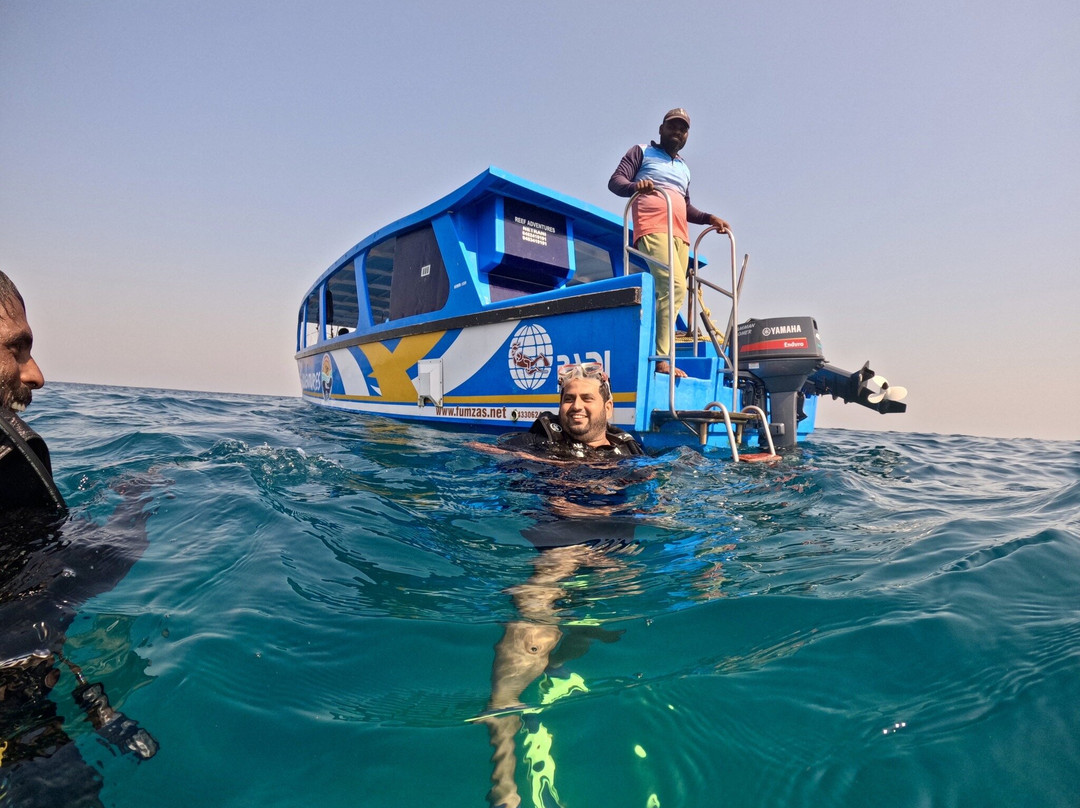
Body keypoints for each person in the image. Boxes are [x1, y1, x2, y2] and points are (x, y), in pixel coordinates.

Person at [0, 270, 159, 807]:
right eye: (14, 350)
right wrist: (136, 506)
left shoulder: (13, 458)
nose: (37, 374)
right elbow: (103, 561)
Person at [476, 363, 647, 807]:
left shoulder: (629, 448)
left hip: (613, 545)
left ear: (609, 406)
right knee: (536, 614)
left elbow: (662, 486)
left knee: (617, 614)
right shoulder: (544, 438)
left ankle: (555, 667)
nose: (575, 406)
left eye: (587, 398)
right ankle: (504, 760)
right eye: (569, 398)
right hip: (563, 540)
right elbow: (486, 450)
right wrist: (536, 465)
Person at [609, 108, 730, 378]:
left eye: (683, 129)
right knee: (673, 285)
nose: (677, 131)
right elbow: (615, 182)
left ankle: (655, 346)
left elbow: (686, 207)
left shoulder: (684, 167)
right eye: (672, 126)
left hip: (680, 236)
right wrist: (636, 186)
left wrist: (710, 218)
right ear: (661, 129)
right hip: (653, 228)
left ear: (687, 135)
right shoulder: (641, 151)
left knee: (673, 290)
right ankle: (662, 360)